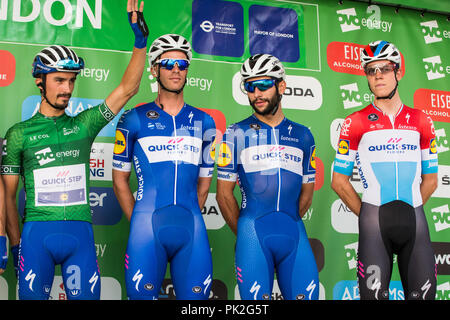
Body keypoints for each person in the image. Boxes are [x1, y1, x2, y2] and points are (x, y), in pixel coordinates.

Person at [0, 0, 148, 300]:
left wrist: (140, 42)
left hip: (79, 237)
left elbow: (127, 90)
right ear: (40, 82)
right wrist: (11, 243)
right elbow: (7, 196)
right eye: (59, 80)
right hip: (35, 237)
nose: (67, 89)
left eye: (71, 81)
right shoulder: (18, 135)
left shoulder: (84, 125)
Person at [331, 40, 438, 300]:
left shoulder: (423, 120)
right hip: (373, 227)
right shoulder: (353, 122)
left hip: (416, 224)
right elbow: (339, 182)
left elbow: (432, 179)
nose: (378, 74)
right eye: (371, 70)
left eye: (385, 68)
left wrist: (409, 207)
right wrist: (370, 212)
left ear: (398, 72)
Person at [112, 34, 216, 300]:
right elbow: (119, 180)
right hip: (146, 228)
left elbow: (204, 184)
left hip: (190, 228)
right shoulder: (133, 118)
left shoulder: (205, 122)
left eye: (182, 65)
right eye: (168, 63)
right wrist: (138, 220)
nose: (176, 70)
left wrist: (188, 212)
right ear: (154, 69)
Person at [216, 54, 319, 300]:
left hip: (294, 233)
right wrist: (245, 230)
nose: (257, 93)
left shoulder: (304, 136)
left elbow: (307, 194)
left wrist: (286, 218)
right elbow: (223, 194)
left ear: (281, 86)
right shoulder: (234, 134)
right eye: (250, 86)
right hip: (252, 235)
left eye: (264, 85)